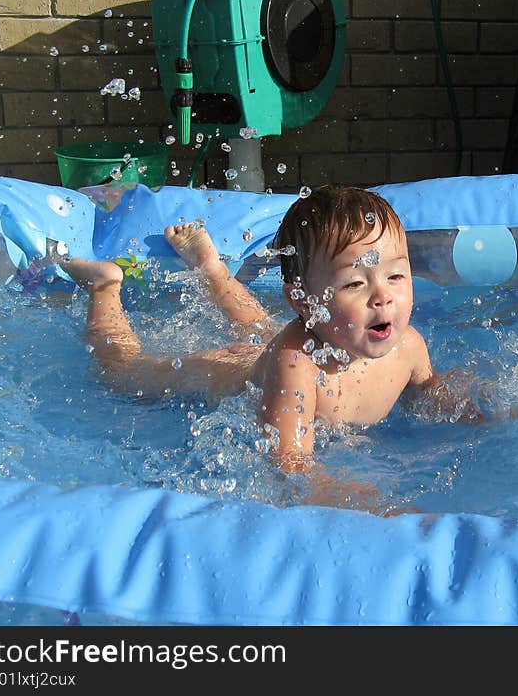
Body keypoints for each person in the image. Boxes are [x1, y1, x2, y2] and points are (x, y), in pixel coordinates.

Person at [62, 185, 476, 509]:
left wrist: (484, 407)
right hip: (229, 373)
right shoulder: (295, 366)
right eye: (354, 283)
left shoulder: (407, 345)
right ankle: (104, 286)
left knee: (259, 325)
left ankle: (209, 265)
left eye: (397, 277)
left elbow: (432, 391)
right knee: (121, 372)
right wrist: (367, 503)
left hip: (294, 336)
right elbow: (289, 466)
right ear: (303, 300)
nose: (382, 297)